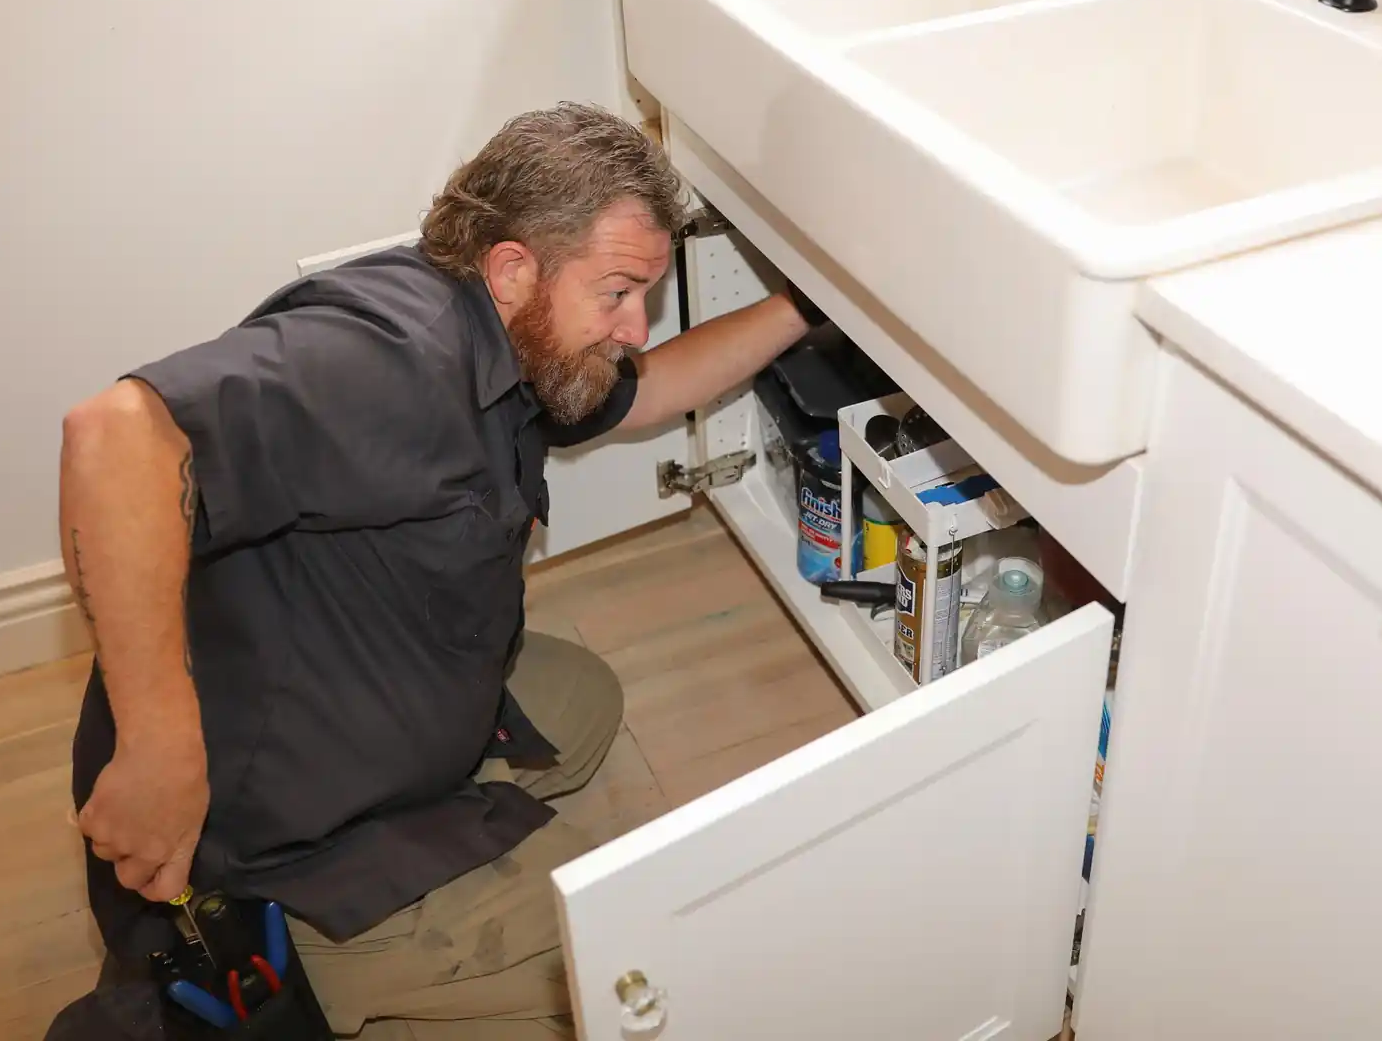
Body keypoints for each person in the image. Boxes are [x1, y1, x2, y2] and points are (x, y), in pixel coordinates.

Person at [48, 104, 820, 1039]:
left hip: (339, 696)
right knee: (635, 948)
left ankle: (412, 853)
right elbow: (115, 436)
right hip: (263, 834)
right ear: (513, 267)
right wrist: (157, 745)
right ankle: (247, 969)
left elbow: (652, 389)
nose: (634, 328)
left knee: (581, 701)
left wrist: (803, 308)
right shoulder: (393, 356)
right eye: (618, 293)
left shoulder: (515, 337)